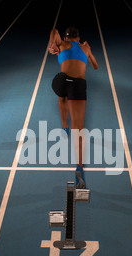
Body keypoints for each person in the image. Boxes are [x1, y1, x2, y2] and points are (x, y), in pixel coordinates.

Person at [48, 26, 98, 189]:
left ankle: (64, 127)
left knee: (62, 96)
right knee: (79, 128)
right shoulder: (85, 48)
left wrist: (53, 45)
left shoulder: (62, 44)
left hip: (61, 82)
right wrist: (89, 52)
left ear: (66, 37)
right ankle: (79, 167)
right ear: (78, 38)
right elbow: (96, 66)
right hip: (77, 86)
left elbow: (54, 31)